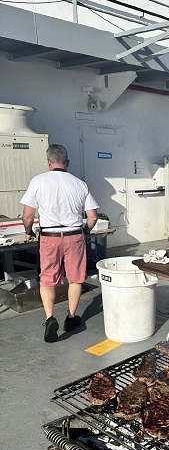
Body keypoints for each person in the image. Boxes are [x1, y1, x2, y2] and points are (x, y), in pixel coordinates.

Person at [21, 144, 99, 343]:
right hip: (74, 235)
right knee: (75, 279)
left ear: (48, 162)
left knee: (47, 279)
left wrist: (28, 232)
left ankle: (50, 318)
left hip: (50, 237)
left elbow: (28, 216)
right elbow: (92, 216)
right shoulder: (79, 184)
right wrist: (85, 232)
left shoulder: (38, 181)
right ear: (67, 162)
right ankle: (71, 318)